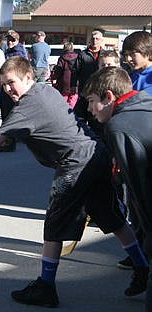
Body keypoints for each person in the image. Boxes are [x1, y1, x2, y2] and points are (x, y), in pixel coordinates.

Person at [0, 56, 149, 308]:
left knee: (54, 224)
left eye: (11, 83)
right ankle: (142, 266)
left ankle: (45, 287)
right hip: (95, 154)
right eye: (3, 84)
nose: (7, 89)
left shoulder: (30, 104)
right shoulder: (45, 91)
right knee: (111, 216)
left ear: (28, 77)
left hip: (75, 163)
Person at [84, 66, 152, 312]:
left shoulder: (119, 126)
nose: (90, 109)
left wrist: (147, 237)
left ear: (109, 97)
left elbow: (139, 187)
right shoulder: (146, 103)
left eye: (92, 101)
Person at [115, 30, 152, 271]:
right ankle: (139, 252)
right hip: (130, 148)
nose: (129, 59)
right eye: (126, 54)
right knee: (135, 204)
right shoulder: (129, 77)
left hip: (148, 147)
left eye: (134, 54)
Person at [73, 29, 105, 134]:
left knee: (95, 121)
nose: (95, 41)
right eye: (93, 39)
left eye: (97, 39)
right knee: (80, 120)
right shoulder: (82, 55)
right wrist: (73, 85)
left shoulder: (105, 55)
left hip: (100, 93)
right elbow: (75, 71)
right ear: (90, 40)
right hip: (84, 92)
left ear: (101, 40)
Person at [122, 31, 152, 95]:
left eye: (132, 54)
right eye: (126, 55)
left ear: (147, 52)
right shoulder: (128, 76)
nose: (128, 59)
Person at [52, 41, 78, 108]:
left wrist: (53, 77)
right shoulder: (77, 57)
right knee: (73, 99)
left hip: (63, 82)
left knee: (63, 100)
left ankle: (63, 113)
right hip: (74, 82)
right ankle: (70, 112)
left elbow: (58, 70)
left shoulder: (62, 58)